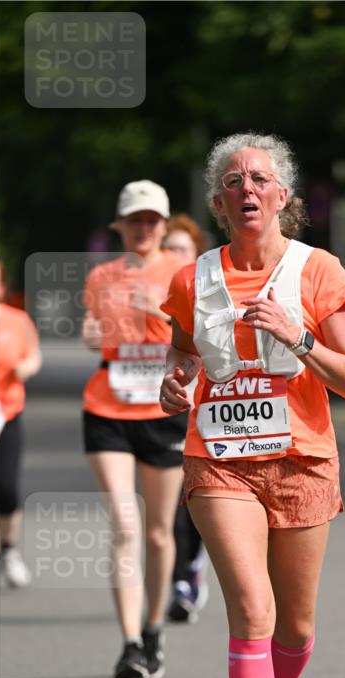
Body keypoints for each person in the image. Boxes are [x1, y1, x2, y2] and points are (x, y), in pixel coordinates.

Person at [159, 132, 345, 678]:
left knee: (295, 627)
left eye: (260, 179)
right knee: (253, 611)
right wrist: (175, 385)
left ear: (282, 197)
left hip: (301, 459)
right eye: (234, 181)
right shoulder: (191, 279)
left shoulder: (319, 270)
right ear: (218, 202)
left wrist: (297, 337)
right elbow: (182, 359)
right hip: (219, 459)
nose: (247, 188)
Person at [81, 180, 187, 678]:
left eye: (152, 220)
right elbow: (96, 329)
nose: (143, 228)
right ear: (120, 226)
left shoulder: (184, 273)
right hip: (109, 408)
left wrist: (153, 309)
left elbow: (199, 338)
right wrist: (91, 332)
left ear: (164, 225)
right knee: (125, 526)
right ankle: (127, 644)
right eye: (135, 220)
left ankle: (153, 629)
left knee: (160, 532)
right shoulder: (102, 275)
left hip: (164, 411)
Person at [162, 215, 210, 623]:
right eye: (169, 248)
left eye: (182, 249)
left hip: (202, 409)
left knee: (191, 497)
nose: (174, 256)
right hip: (151, 408)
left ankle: (192, 564)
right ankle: (180, 578)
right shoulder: (142, 288)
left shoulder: (204, 288)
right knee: (169, 507)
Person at [0, 258, 42, 587]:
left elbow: (34, 354)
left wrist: (27, 368)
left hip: (6, 412)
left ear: (1, 286)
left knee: (6, 487)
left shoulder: (17, 320)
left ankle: (8, 549)